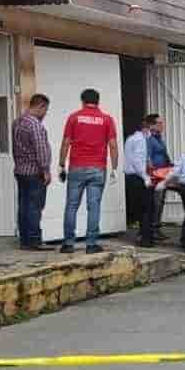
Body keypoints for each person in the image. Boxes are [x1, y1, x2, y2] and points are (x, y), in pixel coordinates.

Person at [58, 88, 119, 254]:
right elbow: (113, 145)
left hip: (76, 167)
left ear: (83, 101)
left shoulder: (74, 117)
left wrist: (61, 164)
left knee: (71, 205)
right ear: (98, 101)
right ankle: (91, 244)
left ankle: (68, 243)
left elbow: (65, 143)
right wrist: (114, 167)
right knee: (94, 206)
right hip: (98, 169)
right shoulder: (107, 119)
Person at [11, 93, 52, 250]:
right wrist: (46, 170)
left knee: (23, 206)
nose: (45, 114)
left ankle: (25, 240)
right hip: (35, 172)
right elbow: (41, 149)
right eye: (45, 110)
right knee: (35, 206)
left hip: (21, 171)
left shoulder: (18, 122)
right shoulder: (35, 124)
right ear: (40, 106)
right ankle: (35, 240)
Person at [122, 114, 159, 246]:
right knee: (147, 209)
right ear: (149, 127)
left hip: (131, 177)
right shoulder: (140, 140)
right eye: (156, 125)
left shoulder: (131, 138)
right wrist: (145, 177)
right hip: (138, 177)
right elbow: (137, 161)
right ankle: (146, 239)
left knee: (141, 209)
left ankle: (144, 236)